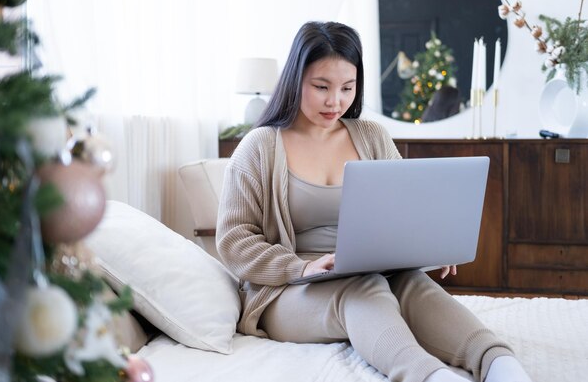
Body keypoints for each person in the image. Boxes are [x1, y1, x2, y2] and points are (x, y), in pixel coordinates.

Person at [216, 21, 532, 382]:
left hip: (373, 271)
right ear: (295, 80)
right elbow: (233, 242)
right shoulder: (259, 146)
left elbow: (405, 210)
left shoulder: (371, 137)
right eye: (322, 87)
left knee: (413, 286)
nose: (335, 101)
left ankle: (499, 364)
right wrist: (300, 268)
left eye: (347, 88)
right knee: (363, 289)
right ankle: (428, 376)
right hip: (288, 291)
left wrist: (431, 246)